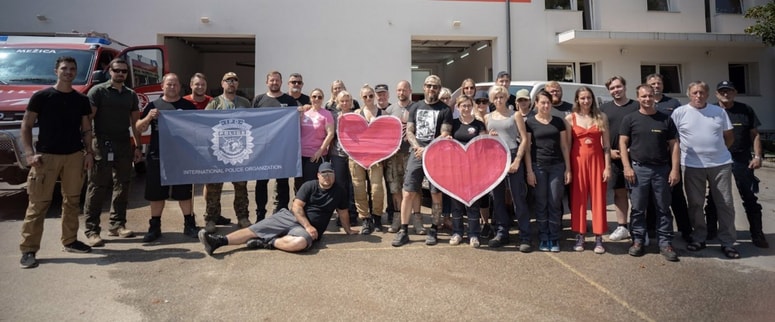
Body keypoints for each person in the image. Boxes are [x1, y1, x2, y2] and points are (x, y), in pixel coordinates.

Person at [19, 56, 94, 268]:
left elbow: (86, 129)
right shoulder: (42, 97)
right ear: (56, 71)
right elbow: (26, 125)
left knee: (71, 201)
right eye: (64, 68)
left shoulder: (81, 100)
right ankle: (29, 249)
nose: (68, 72)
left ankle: (70, 240)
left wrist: (89, 153)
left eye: (72, 69)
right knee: (38, 204)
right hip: (46, 157)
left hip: (74, 157)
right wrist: (29, 154)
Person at [198, 162, 358, 255]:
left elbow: (343, 212)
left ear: (335, 175)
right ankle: (218, 242)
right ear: (318, 175)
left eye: (330, 174)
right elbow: (296, 207)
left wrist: (348, 230)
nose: (327, 177)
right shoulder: (309, 186)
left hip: (307, 232)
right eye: (324, 174)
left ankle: (269, 241)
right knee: (255, 229)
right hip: (291, 218)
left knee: (300, 243)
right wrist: (308, 225)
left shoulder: (339, 191)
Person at [671, 81, 739, 259]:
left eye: (701, 92)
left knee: (725, 204)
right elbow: (673, 139)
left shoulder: (719, 112)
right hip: (692, 165)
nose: (698, 96)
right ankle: (699, 238)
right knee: (695, 204)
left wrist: (717, 152)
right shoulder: (679, 113)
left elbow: (729, 137)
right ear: (689, 94)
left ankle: (728, 242)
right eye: (694, 92)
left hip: (720, 165)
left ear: (707, 94)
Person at [83, 58, 143, 247]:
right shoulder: (98, 91)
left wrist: (138, 146)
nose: (120, 74)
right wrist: (88, 149)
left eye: (124, 71)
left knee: (123, 185)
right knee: (97, 186)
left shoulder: (130, 95)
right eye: (117, 70)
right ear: (110, 71)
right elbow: (87, 120)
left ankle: (117, 225)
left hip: (123, 143)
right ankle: (92, 230)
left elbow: (135, 124)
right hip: (101, 143)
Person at [619, 84, 681, 262]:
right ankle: (637, 240)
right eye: (643, 96)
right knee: (638, 209)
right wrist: (627, 167)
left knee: (663, 208)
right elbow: (622, 143)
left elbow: (674, 145)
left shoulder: (665, 119)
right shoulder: (630, 119)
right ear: (638, 98)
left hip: (661, 170)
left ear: (655, 97)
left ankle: (665, 243)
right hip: (638, 170)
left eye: (650, 96)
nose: (647, 99)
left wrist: (675, 169)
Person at [135, 73, 198, 242]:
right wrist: (149, 117)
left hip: (181, 157)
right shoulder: (154, 105)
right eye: (169, 84)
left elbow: (198, 129)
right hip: (157, 156)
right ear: (162, 86)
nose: (172, 87)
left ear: (180, 87)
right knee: (156, 194)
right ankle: (154, 227)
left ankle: (189, 225)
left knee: (184, 193)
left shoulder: (188, 106)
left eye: (175, 84)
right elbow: (139, 128)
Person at [392, 75, 453, 247]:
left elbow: (445, 133)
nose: (431, 89)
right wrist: (418, 147)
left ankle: (433, 228)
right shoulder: (416, 107)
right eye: (428, 86)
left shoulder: (445, 110)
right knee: (408, 192)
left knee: (435, 194)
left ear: (439, 89)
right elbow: (409, 131)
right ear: (424, 87)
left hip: (436, 156)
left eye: (435, 86)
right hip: (416, 154)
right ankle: (403, 230)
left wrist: (427, 148)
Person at [705, 81, 768, 248]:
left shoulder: (745, 110)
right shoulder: (710, 111)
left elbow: (754, 134)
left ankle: (757, 233)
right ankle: (711, 231)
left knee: (748, 196)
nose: (726, 94)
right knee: (713, 196)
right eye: (722, 91)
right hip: (718, 159)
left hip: (741, 158)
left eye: (729, 91)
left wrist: (758, 156)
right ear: (717, 94)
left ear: (735, 92)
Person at [201, 72, 253, 232]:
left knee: (241, 188)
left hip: (239, 153)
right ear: (222, 83)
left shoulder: (245, 102)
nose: (231, 83)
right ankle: (211, 218)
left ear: (237, 84)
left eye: (235, 80)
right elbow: (204, 124)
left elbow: (253, 123)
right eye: (228, 80)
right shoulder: (214, 103)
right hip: (218, 153)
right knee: (213, 189)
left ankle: (243, 217)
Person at [565, 86, 610, 254]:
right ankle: (580, 235)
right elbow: (567, 146)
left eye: (588, 98)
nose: (586, 101)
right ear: (577, 99)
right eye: (582, 98)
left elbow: (606, 145)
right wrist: (568, 169)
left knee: (598, 199)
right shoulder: (570, 118)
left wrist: (608, 167)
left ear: (593, 99)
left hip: (597, 162)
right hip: (578, 163)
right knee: (579, 200)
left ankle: (598, 237)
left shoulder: (601, 117)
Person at [525, 90, 571, 252]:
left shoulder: (558, 122)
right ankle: (544, 237)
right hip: (538, 167)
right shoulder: (530, 123)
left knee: (555, 202)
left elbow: (565, 146)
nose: (545, 105)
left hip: (557, 167)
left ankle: (554, 237)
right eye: (542, 102)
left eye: (548, 103)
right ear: (536, 104)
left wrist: (568, 169)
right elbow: (527, 149)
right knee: (541, 202)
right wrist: (529, 171)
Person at [485, 85, 530, 250]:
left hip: (512, 155)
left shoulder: (515, 115)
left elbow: (524, 139)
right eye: (495, 97)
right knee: (497, 198)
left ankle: (525, 235)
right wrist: (488, 136)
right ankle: (502, 232)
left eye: (501, 97)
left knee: (518, 198)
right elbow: (484, 140)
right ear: (492, 100)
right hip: (495, 158)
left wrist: (517, 160)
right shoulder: (487, 117)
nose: (499, 100)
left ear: (506, 98)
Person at [647, 73, 690, 242]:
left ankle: (686, 230)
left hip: (670, 156)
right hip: (651, 156)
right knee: (651, 196)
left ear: (663, 85)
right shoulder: (642, 104)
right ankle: (650, 228)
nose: (656, 86)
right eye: (652, 83)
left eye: (658, 83)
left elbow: (681, 130)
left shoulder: (674, 104)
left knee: (677, 195)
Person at [251, 71, 300, 222]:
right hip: (263, 149)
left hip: (282, 148)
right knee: (261, 182)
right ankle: (260, 214)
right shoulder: (259, 99)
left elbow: (295, 122)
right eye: (272, 80)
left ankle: (282, 212)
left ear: (281, 82)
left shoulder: (289, 100)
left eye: (277, 80)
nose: (274, 83)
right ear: (267, 82)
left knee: (283, 182)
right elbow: (252, 123)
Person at [600, 76, 639, 241]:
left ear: (624, 86)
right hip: (614, 157)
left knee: (638, 194)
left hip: (635, 156)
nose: (616, 90)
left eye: (618, 87)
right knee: (619, 193)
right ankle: (622, 227)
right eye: (612, 88)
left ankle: (638, 227)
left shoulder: (637, 106)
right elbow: (600, 134)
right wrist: (609, 151)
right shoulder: (604, 109)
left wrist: (630, 150)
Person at [383, 80, 422, 233]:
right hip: (394, 155)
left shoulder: (417, 108)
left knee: (414, 188)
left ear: (410, 91)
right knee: (396, 188)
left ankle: (417, 220)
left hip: (412, 154)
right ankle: (397, 219)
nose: (401, 93)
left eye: (404, 90)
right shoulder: (390, 110)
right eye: (399, 90)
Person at [449, 95, 487, 247]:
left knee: (473, 203)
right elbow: (445, 140)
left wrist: (490, 137)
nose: (466, 108)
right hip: (456, 169)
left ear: (472, 107)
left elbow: (484, 143)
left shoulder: (479, 124)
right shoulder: (453, 124)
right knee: (456, 203)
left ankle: (474, 234)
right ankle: (457, 232)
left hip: (473, 169)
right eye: (463, 106)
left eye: (468, 106)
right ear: (457, 107)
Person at [349, 85, 386, 234]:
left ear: (374, 96)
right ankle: (365, 218)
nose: (369, 99)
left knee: (377, 189)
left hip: (376, 157)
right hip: (357, 157)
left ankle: (377, 217)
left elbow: (387, 136)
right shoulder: (356, 114)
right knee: (359, 188)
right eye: (365, 96)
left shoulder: (383, 114)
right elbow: (349, 135)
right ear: (361, 98)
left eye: (371, 95)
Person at [328, 91, 359, 226]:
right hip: (337, 155)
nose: (345, 103)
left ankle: (353, 214)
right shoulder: (333, 116)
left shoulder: (356, 115)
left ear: (351, 102)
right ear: (338, 102)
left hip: (353, 156)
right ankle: (342, 215)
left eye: (347, 100)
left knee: (353, 186)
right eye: (342, 101)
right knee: (340, 186)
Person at [298, 88, 335, 190]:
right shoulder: (304, 114)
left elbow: (330, 134)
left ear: (322, 99)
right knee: (300, 184)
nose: (317, 99)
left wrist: (320, 151)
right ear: (310, 98)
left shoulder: (326, 114)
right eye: (314, 96)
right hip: (301, 155)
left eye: (319, 97)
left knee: (313, 183)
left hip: (316, 155)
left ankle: (313, 205)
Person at [472, 90, 494, 238]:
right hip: (472, 161)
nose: (481, 104)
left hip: (487, 160)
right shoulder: (470, 117)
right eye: (478, 101)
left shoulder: (491, 117)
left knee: (486, 195)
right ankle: (474, 223)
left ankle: (486, 223)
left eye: (484, 102)